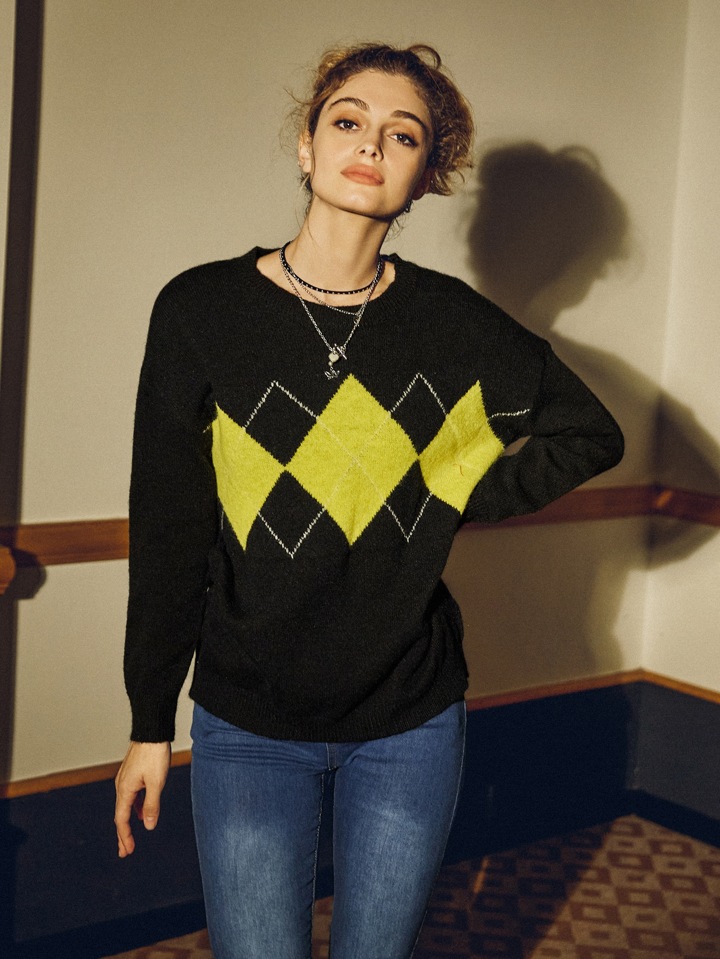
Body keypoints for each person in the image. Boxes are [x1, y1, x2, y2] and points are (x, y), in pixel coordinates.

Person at [114, 42, 624, 959]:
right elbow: (168, 531)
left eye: (404, 134)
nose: (372, 144)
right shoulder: (200, 310)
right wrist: (149, 722)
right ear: (306, 145)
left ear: (426, 174)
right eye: (348, 120)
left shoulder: (454, 324)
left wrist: (450, 491)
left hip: (410, 721)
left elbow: (590, 433)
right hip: (248, 721)